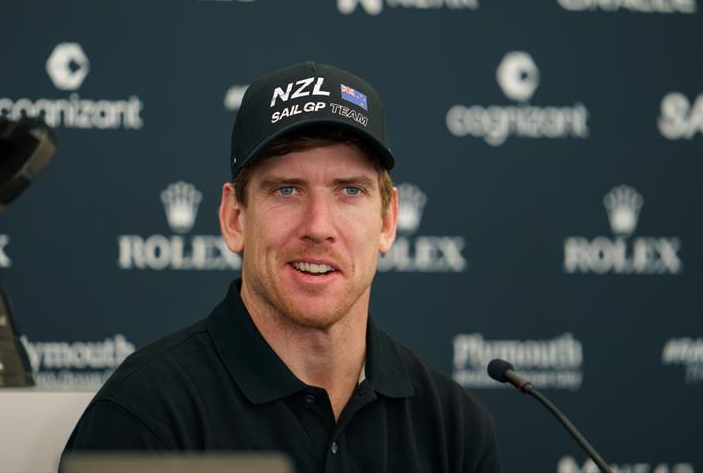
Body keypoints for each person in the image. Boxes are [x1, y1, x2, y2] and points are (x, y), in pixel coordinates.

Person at [62, 62, 501, 472]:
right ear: (235, 218)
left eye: (349, 191)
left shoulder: (453, 426)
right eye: (287, 190)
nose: (318, 226)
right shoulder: (147, 415)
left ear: (387, 222)